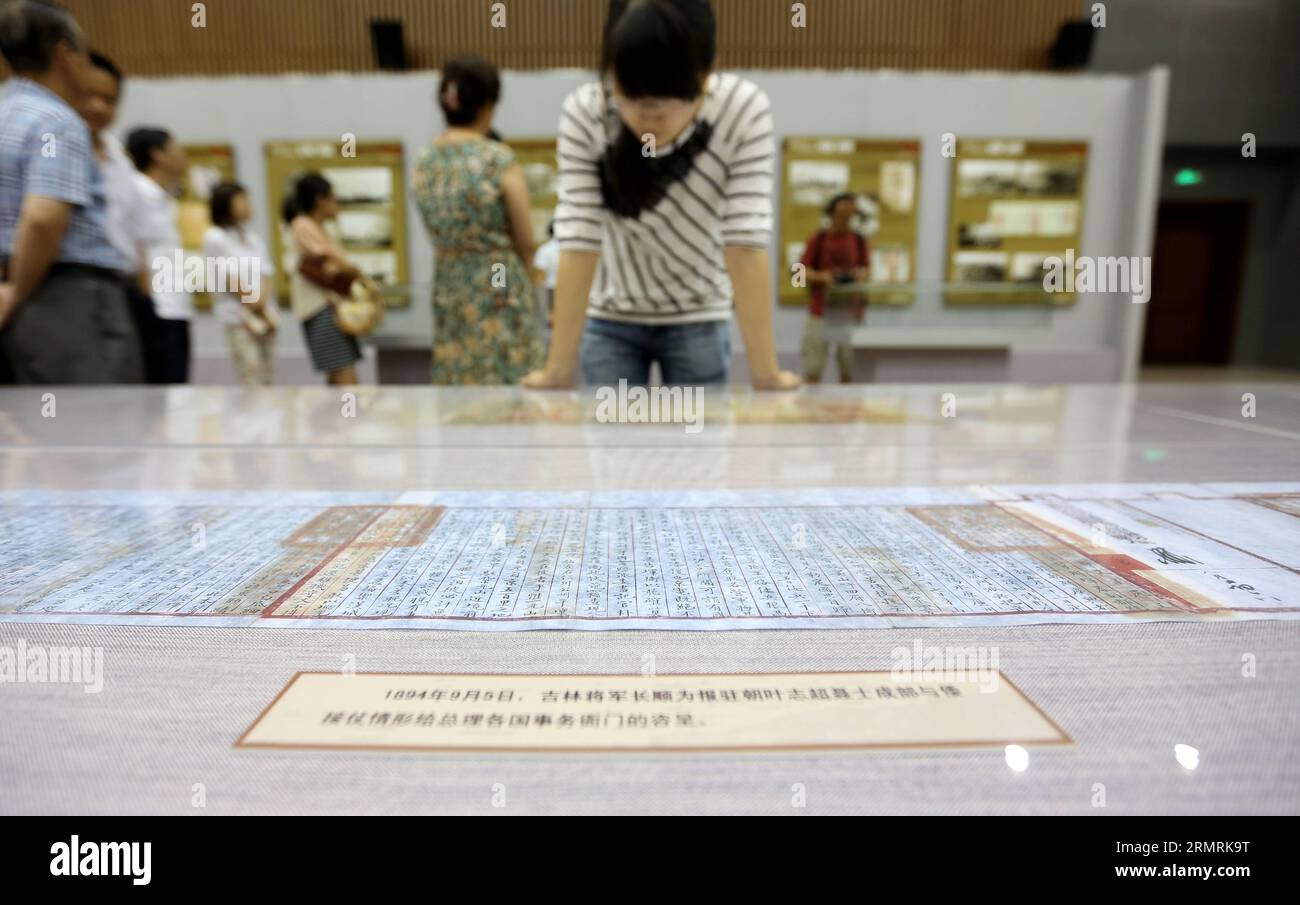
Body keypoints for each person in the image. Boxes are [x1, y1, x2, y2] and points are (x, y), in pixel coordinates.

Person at [521, 0, 799, 391]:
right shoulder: (588, 111)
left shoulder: (742, 109)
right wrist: (557, 372)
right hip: (610, 318)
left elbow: (745, 241)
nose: (648, 118)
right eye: (632, 98)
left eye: (668, 102)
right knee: (608, 447)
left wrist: (766, 373)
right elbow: (580, 239)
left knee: (699, 447)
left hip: (698, 315)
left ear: (705, 76)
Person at [0, 0, 142, 384]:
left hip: (24, 292)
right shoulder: (55, 122)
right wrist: (16, 288)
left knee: (32, 431)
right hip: (64, 297)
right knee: (91, 432)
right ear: (65, 54)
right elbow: (44, 217)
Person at [412, 56, 544, 384]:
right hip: (496, 277)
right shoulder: (496, 158)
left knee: (459, 373)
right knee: (507, 371)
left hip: (449, 280)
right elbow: (525, 239)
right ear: (488, 104)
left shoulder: (424, 159)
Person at [126, 127, 192, 383]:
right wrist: (148, 303)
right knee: (158, 400)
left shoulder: (165, 199)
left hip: (175, 310)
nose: (182, 156)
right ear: (158, 155)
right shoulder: (137, 192)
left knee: (176, 394)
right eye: (176, 150)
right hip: (157, 311)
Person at [283, 172, 361, 385]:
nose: (337, 204)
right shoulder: (302, 225)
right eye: (334, 198)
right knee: (344, 374)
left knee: (337, 374)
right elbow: (328, 256)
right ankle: (351, 416)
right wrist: (353, 270)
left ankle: (341, 417)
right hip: (319, 309)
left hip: (332, 307)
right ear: (320, 200)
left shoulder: (320, 228)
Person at [203, 181, 277, 386]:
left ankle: (268, 418)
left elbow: (266, 272)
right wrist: (256, 304)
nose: (247, 205)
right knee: (251, 377)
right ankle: (252, 419)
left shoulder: (254, 239)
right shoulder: (215, 238)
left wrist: (262, 305)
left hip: (265, 317)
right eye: (241, 200)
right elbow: (229, 279)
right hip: (240, 318)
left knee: (267, 378)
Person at [799, 192, 869, 383]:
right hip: (820, 311)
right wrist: (822, 277)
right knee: (813, 366)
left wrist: (858, 275)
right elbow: (798, 272)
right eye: (841, 215)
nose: (845, 220)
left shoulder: (859, 241)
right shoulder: (818, 239)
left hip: (849, 311)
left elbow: (866, 269)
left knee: (850, 367)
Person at [531, 219, 560, 325]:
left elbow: (540, 274)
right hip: (569, 286)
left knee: (552, 318)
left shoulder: (544, 249)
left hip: (550, 288)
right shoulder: (570, 249)